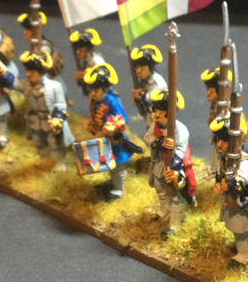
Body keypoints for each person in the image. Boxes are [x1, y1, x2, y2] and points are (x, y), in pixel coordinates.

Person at [211, 114, 248, 270]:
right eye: (218, 140)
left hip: (243, 204)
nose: (219, 145)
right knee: (235, 226)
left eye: (224, 141)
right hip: (232, 201)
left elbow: (240, 179)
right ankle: (238, 244)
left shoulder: (244, 161)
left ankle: (243, 255)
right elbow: (221, 170)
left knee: (241, 229)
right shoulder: (226, 158)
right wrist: (218, 181)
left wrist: (227, 184)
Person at [144, 88, 196, 237]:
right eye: (156, 110)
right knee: (159, 187)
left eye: (162, 111)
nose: (157, 114)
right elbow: (147, 139)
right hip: (159, 162)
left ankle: (175, 225)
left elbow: (181, 150)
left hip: (176, 167)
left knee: (175, 194)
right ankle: (164, 211)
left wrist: (173, 168)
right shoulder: (155, 125)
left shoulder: (181, 129)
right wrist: (159, 141)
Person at [82, 64, 137, 201]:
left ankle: (119, 189)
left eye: (96, 90)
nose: (92, 93)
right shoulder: (95, 101)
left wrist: (113, 126)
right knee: (108, 163)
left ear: (104, 88)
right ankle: (113, 182)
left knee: (116, 165)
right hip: (103, 138)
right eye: (91, 90)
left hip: (115, 139)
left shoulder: (112, 101)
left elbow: (123, 118)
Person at [13, 49, 74, 169]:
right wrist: (0, 72)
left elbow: (60, 104)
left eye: (32, 71)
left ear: (40, 72)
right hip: (35, 120)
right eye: (27, 70)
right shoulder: (26, 84)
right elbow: (13, 83)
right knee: (38, 140)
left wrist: (57, 118)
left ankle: (60, 163)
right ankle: (44, 159)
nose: (28, 74)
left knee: (55, 142)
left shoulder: (55, 86)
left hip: (50, 120)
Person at [130, 44, 167, 131]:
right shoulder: (144, 81)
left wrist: (141, 95)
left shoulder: (158, 83)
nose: (138, 71)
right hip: (149, 118)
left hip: (160, 120)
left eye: (142, 68)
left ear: (150, 68)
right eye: (137, 67)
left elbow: (153, 98)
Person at [70, 28, 106, 96]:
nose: (77, 52)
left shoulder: (98, 63)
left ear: (88, 51)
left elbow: (101, 85)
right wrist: (80, 79)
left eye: (80, 50)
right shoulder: (86, 63)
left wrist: (86, 78)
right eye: (77, 49)